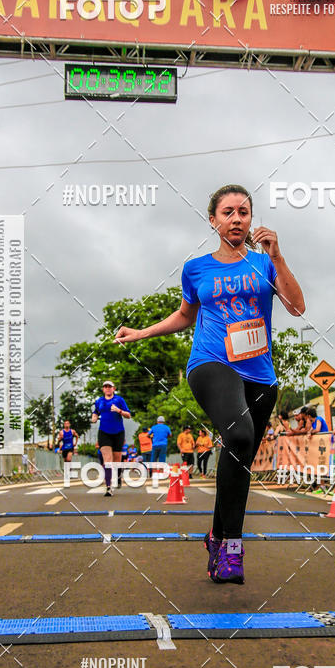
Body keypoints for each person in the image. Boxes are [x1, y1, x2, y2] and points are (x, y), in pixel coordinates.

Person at [115, 183, 305, 584]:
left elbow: (296, 307)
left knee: (239, 460)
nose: (237, 219)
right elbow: (185, 315)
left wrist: (278, 256)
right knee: (238, 437)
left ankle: (216, 537)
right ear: (213, 220)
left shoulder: (264, 263)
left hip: (260, 374)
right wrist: (143, 333)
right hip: (211, 364)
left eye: (244, 212)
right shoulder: (196, 268)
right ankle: (233, 551)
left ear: (251, 220)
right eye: (228, 212)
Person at [91, 380, 131, 497]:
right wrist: (94, 417)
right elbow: (96, 412)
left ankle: (118, 475)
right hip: (104, 432)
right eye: (105, 387)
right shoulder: (99, 401)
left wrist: (119, 411)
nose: (108, 389)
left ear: (114, 388)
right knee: (107, 461)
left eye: (110, 387)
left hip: (118, 432)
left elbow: (128, 415)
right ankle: (108, 487)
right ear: (103, 389)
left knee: (117, 460)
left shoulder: (119, 400)